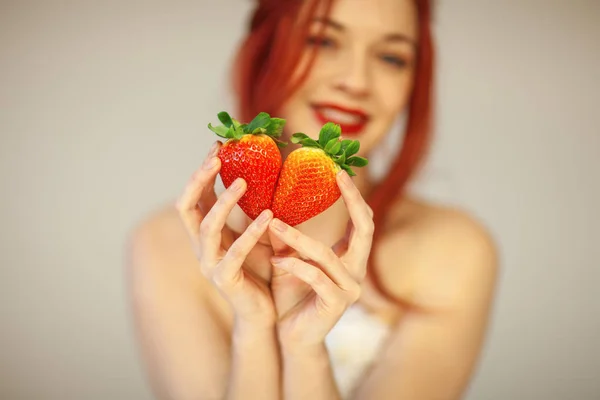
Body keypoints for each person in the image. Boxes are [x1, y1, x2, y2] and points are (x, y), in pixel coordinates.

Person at [126, 0, 499, 399]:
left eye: (392, 57)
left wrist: (305, 352)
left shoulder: (454, 250)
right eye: (322, 40)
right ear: (263, 52)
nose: (356, 81)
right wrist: (255, 330)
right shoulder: (163, 245)